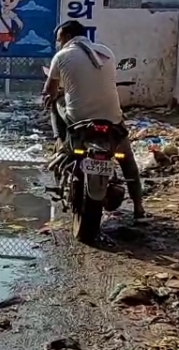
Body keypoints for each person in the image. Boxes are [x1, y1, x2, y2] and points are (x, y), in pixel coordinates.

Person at [41, 19, 148, 220]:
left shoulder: (61, 56)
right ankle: (139, 207)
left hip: (80, 122)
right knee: (127, 161)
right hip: (112, 121)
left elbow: (49, 91)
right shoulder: (106, 52)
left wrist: (54, 93)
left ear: (66, 36)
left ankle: (61, 142)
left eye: (58, 39)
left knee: (55, 103)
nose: (58, 43)